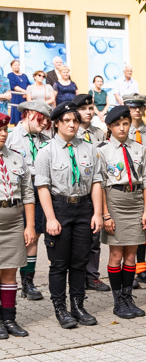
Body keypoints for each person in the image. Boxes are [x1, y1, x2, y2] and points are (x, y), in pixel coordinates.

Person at [34, 102, 104, 328]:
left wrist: (98, 213)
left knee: (80, 261)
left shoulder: (89, 149)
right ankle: (60, 308)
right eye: (67, 121)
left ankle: (78, 305)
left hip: (84, 208)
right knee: (59, 263)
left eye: (75, 120)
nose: (72, 124)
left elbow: (96, 182)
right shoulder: (46, 152)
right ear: (56, 124)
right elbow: (43, 187)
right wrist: (51, 218)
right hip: (59, 208)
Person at [97, 106, 146, 319]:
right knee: (116, 254)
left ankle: (128, 297)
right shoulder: (102, 150)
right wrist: (106, 214)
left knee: (131, 256)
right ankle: (117, 299)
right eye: (117, 124)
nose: (122, 128)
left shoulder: (139, 148)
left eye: (125, 123)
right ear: (109, 127)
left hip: (136, 201)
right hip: (115, 201)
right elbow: (100, 184)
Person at [8, 101, 51, 301]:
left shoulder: (44, 139)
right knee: (17, 237)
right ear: (32, 115)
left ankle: (28, 282)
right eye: (43, 120)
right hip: (18, 191)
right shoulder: (11, 138)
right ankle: (9, 281)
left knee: (34, 235)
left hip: (40, 188)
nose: (45, 125)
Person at [0, 112, 36, 338]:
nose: (3, 134)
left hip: (14, 220)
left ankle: (9, 319)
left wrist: (30, 225)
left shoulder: (16, 157)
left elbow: (28, 194)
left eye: (5, 130)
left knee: (10, 272)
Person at [72, 94, 109, 293]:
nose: (88, 112)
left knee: (94, 237)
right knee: (77, 239)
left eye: (90, 108)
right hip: (76, 191)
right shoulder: (70, 132)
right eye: (83, 109)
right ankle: (77, 276)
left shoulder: (99, 133)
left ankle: (92, 276)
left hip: (95, 190)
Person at [124, 93, 146, 288]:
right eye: (132, 107)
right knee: (130, 230)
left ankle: (142, 269)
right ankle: (128, 269)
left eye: (140, 107)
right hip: (129, 187)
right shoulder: (122, 131)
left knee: (145, 229)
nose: (137, 111)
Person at [8, 60, 31, 125]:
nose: (17, 66)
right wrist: (24, 92)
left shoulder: (24, 75)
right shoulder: (10, 75)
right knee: (17, 116)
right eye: (15, 65)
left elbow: (28, 85)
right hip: (17, 98)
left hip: (25, 98)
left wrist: (27, 93)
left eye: (18, 65)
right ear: (11, 66)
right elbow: (14, 86)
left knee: (25, 116)